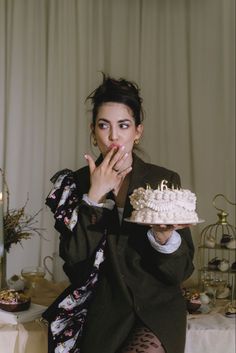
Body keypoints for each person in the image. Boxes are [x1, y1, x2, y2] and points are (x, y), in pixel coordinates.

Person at [43, 74, 195, 353]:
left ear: (138, 131)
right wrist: (94, 198)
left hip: (157, 308)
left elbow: (180, 272)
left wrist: (164, 238)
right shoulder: (74, 185)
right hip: (105, 312)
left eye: (123, 125)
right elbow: (75, 264)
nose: (114, 136)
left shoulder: (163, 180)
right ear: (93, 131)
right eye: (104, 126)